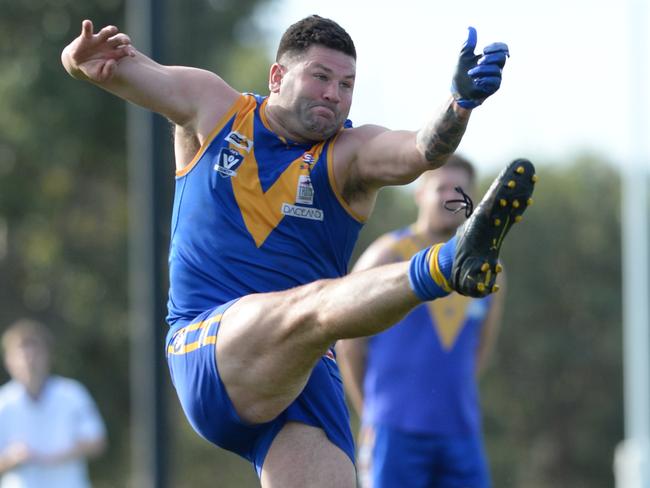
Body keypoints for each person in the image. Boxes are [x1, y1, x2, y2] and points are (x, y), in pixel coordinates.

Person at [61, 15, 535, 487]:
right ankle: (448, 263)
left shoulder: (349, 154)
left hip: (305, 373)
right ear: (277, 76)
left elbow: (419, 151)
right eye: (321, 76)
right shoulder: (216, 107)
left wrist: (458, 105)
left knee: (313, 316)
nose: (334, 93)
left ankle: (450, 261)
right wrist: (75, 58)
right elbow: (105, 66)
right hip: (209, 347)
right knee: (315, 305)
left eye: (347, 84)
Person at [337, 155, 505, 488]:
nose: (450, 197)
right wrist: (370, 412)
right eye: (441, 187)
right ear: (420, 194)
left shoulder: (487, 267)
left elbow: (481, 347)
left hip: (460, 432)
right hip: (393, 430)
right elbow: (347, 341)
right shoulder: (388, 254)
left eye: (460, 189)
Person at [0, 319, 107, 488]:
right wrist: (12, 458)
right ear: (8, 361)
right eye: (22, 355)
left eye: (35, 353)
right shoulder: (2, 402)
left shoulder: (72, 393)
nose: (30, 361)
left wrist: (55, 456)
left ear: (48, 356)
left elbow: (97, 442)